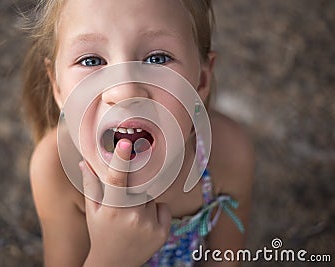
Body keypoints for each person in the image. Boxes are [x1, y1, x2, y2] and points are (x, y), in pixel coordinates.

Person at [22, 0, 254, 266]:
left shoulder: (229, 154)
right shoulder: (54, 170)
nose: (125, 91)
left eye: (157, 58)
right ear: (58, 87)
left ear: (200, 80)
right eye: (91, 60)